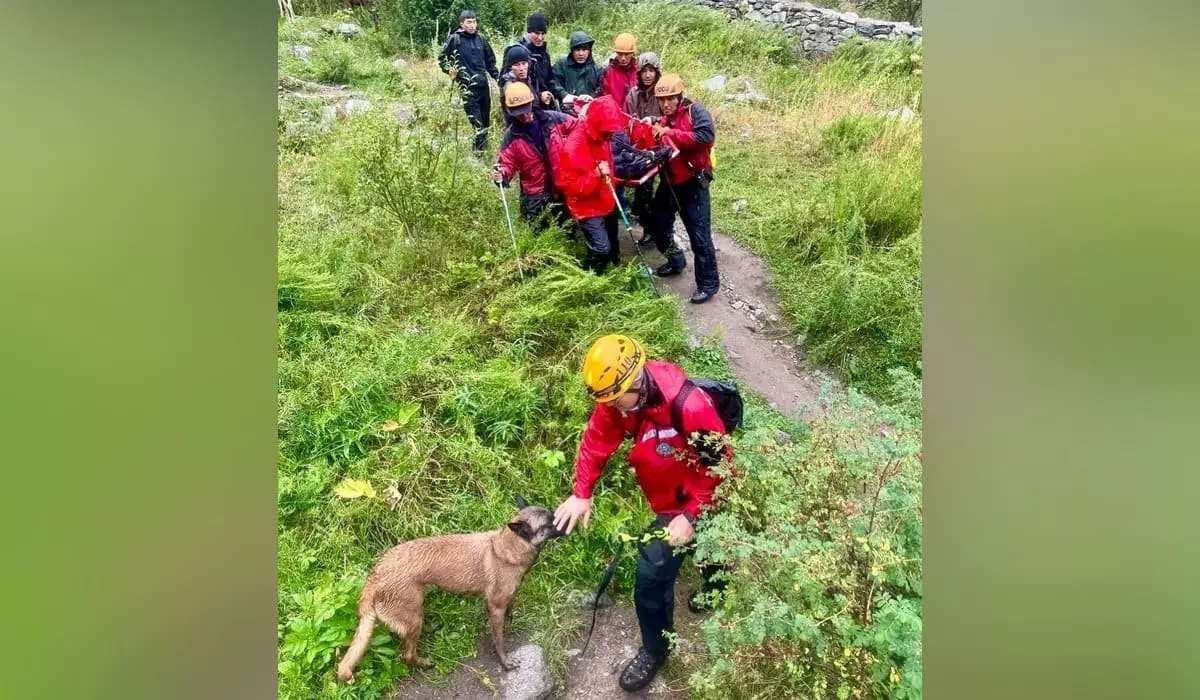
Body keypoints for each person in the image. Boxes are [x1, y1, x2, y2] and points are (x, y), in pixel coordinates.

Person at [554, 334, 733, 692]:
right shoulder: (619, 401)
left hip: (701, 495)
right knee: (701, 548)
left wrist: (693, 515)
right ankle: (663, 641)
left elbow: (723, 467)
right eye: (608, 402)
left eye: (617, 401)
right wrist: (581, 493)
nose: (613, 409)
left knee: (654, 573)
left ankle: (666, 638)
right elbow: (596, 441)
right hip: (669, 498)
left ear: (637, 382)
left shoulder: (690, 407)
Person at [646, 74, 721, 304]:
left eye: (670, 99)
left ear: (680, 97)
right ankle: (676, 260)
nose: (666, 104)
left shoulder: (695, 112)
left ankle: (708, 284)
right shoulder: (663, 120)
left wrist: (672, 134)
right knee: (657, 225)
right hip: (670, 183)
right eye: (662, 100)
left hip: (692, 184)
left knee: (699, 237)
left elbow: (705, 137)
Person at [556, 96, 626, 273]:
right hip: (586, 206)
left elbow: (608, 167)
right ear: (597, 124)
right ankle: (589, 278)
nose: (611, 135)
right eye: (608, 131)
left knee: (613, 248)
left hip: (605, 198)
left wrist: (617, 181)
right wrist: (595, 175)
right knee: (601, 249)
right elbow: (570, 188)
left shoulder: (602, 137)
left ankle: (611, 275)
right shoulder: (573, 148)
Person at [493, 82, 574, 232]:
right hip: (534, 192)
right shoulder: (511, 137)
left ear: (532, 102)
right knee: (536, 233)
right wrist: (501, 174)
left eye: (525, 109)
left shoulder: (553, 119)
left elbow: (578, 128)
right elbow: (506, 163)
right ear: (510, 110)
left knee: (567, 230)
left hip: (561, 184)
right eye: (518, 112)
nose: (524, 115)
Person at [439, 9, 499, 154]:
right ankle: (480, 154)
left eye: (474, 22)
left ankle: (479, 150)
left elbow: (490, 61)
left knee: (485, 121)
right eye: (469, 22)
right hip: (467, 87)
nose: (473, 25)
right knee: (477, 123)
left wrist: (497, 77)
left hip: (483, 85)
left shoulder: (481, 39)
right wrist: (449, 70)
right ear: (462, 24)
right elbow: (442, 59)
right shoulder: (455, 39)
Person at [623, 51, 663, 244]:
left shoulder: (663, 92)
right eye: (644, 71)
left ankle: (660, 228)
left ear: (657, 72)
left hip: (662, 146)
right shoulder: (633, 94)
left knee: (665, 192)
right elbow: (626, 117)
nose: (648, 75)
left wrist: (654, 120)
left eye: (651, 71)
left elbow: (673, 116)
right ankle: (649, 227)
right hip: (641, 148)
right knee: (644, 189)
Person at [502, 12, 556, 111]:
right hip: (523, 106)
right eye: (536, 33)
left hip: (544, 104)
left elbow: (549, 78)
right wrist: (537, 96)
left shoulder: (544, 52)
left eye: (543, 33)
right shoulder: (515, 51)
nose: (540, 38)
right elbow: (505, 82)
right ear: (528, 32)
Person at [552, 31, 602, 113]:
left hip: (590, 110)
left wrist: (591, 97)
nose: (581, 54)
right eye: (577, 50)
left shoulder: (597, 69)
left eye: (584, 49)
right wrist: (564, 94)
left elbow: (602, 90)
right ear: (572, 51)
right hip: (567, 111)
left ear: (589, 51)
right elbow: (553, 82)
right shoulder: (561, 65)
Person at [497, 45, 541, 127]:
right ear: (511, 67)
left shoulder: (530, 78)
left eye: (524, 63)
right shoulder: (509, 86)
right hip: (519, 126)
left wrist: (540, 95)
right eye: (517, 65)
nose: (521, 68)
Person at [597, 33, 639, 103]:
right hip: (615, 112)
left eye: (626, 54)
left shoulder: (639, 71)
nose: (623, 58)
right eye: (620, 54)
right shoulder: (608, 72)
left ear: (633, 53)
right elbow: (604, 96)